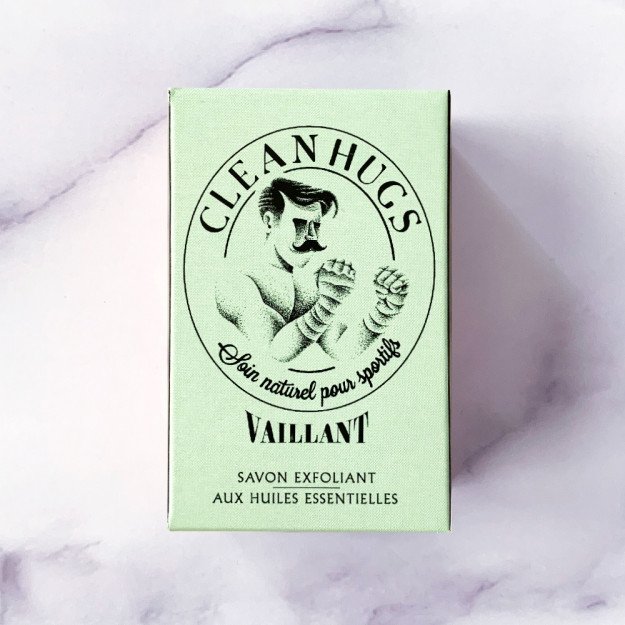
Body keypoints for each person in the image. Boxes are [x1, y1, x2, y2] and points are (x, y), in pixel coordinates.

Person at [215, 177, 408, 362]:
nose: (311, 237)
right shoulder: (235, 283)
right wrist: (327, 304)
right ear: (269, 221)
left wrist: (384, 312)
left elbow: (341, 348)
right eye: (300, 224)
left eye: (316, 225)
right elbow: (275, 351)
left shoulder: (308, 282)